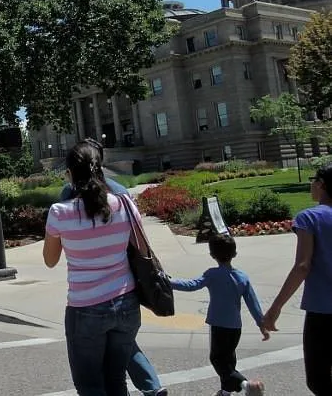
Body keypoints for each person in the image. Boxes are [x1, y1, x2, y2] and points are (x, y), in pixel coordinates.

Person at [59, 138, 166, 396]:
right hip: (124, 287)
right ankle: (152, 387)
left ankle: (152, 386)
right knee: (118, 367)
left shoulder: (67, 196)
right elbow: (139, 244)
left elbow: (55, 250)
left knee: (92, 382)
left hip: (87, 299)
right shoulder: (122, 193)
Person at [43, 142, 140, 396]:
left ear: (71, 173)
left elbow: (50, 260)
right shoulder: (125, 204)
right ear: (100, 170)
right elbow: (137, 247)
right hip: (126, 302)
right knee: (117, 381)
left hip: (85, 308)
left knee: (91, 387)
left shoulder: (59, 212)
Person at [262, 164, 332, 395]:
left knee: (319, 380)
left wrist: (276, 307)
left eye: (313, 179)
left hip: (322, 313)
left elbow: (303, 266)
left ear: (321, 184)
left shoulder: (309, 218)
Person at [170, 235, 267, 396]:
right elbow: (253, 303)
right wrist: (261, 324)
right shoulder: (242, 277)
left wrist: (170, 282)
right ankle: (225, 391)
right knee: (229, 358)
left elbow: (192, 285)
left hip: (218, 325)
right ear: (235, 254)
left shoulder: (212, 274)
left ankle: (247, 385)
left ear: (212, 255)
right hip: (235, 326)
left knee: (218, 360)